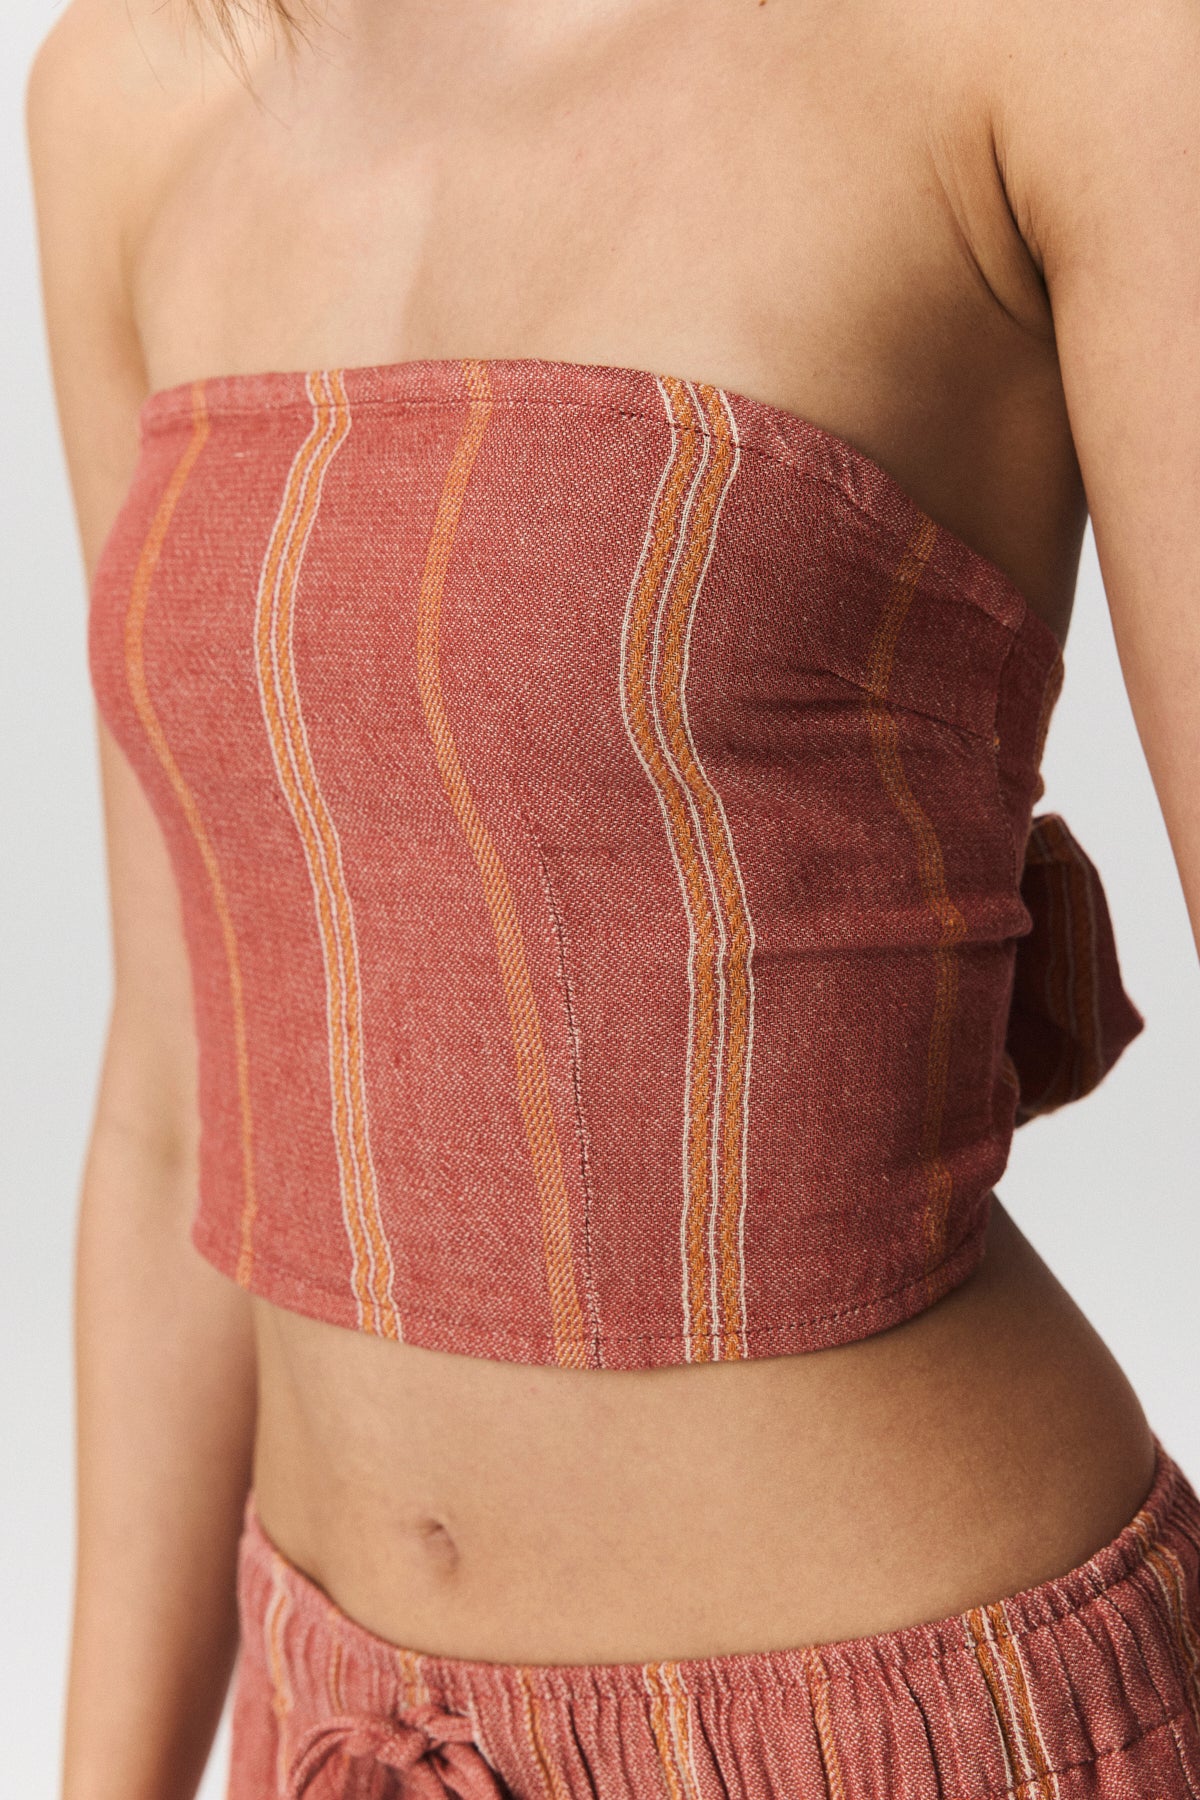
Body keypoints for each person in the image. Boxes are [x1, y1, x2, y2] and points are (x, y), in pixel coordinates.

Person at [26, 0, 1200, 1796]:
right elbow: (181, 1106)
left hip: (920, 1737)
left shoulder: (1062, 47)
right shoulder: (137, 92)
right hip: (334, 1734)